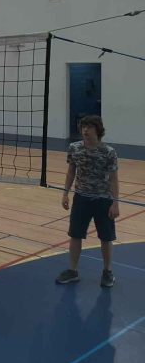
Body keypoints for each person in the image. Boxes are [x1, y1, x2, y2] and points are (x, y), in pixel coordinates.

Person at [56, 115, 119, 287]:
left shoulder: (109, 152)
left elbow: (114, 179)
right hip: (81, 199)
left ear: (97, 130)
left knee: (106, 237)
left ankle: (107, 271)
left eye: (89, 127)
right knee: (75, 235)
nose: (85, 130)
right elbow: (71, 172)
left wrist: (115, 203)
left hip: (103, 200)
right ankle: (73, 271)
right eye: (83, 127)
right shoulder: (74, 148)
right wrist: (65, 193)